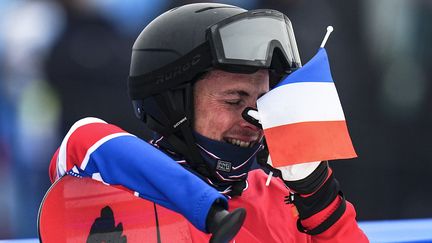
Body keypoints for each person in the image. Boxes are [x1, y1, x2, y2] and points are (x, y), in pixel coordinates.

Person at [48, 2, 369, 242]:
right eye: (233, 100)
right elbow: (83, 140)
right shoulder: (117, 185)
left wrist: (321, 198)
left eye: (263, 100)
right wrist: (205, 207)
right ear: (173, 104)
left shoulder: (279, 197)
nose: (255, 118)